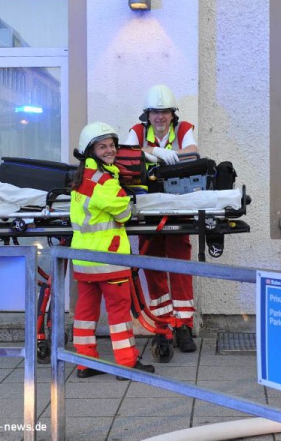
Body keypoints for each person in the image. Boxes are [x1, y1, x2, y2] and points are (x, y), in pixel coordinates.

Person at [70, 121, 155, 379]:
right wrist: (126, 202)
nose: (110, 150)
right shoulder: (104, 181)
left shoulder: (82, 177)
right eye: (103, 147)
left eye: (111, 145)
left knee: (85, 311)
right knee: (118, 311)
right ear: (91, 151)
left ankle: (85, 362)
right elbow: (124, 213)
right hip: (108, 257)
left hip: (83, 258)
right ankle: (126, 363)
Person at [120, 84, 198, 354]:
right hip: (148, 207)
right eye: (155, 112)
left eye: (165, 112)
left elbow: (193, 151)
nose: (160, 117)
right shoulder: (138, 130)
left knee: (180, 266)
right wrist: (155, 152)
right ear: (148, 114)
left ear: (172, 114)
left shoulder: (184, 129)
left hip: (178, 206)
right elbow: (125, 154)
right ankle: (163, 325)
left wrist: (154, 153)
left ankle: (184, 325)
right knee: (152, 266)